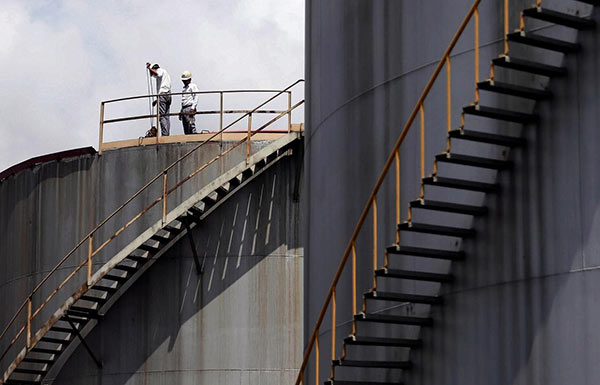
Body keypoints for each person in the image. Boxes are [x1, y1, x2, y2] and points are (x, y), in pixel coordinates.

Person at [146, 62, 172, 136]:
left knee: (162, 116)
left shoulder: (160, 71)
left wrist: (149, 68)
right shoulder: (165, 74)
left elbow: (158, 74)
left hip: (163, 95)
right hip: (168, 95)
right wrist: (156, 100)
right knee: (166, 116)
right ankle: (167, 133)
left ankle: (165, 134)